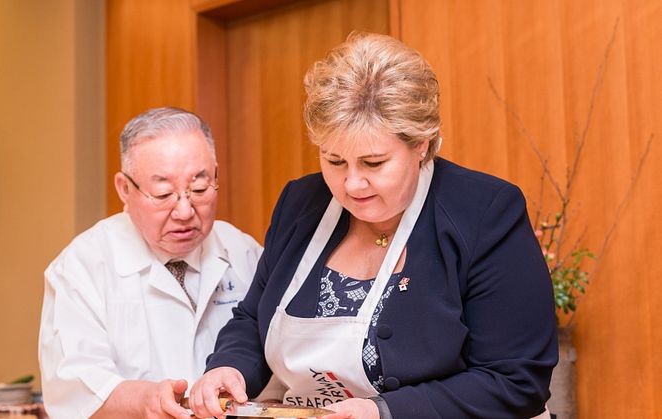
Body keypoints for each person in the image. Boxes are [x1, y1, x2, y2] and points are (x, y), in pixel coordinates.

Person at [186, 32, 557, 419]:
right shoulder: (301, 203)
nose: (351, 185)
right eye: (334, 161)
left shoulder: (484, 212)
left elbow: (516, 380)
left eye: (374, 164)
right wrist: (228, 367)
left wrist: (383, 412)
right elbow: (254, 318)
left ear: (422, 145)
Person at [38, 107, 262, 418]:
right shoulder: (82, 266)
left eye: (199, 188)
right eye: (163, 193)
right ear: (125, 189)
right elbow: (75, 389)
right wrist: (147, 400)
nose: (184, 211)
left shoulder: (244, 252)